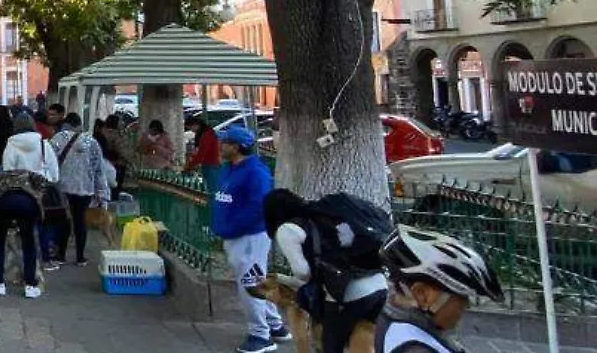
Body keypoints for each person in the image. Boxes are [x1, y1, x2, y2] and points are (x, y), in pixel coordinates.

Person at [267, 189, 390, 353]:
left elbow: (303, 273)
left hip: (348, 294)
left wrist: (282, 279)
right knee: (362, 337)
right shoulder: (321, 217)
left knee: (330, 347)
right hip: (379, 285)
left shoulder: (288, 229)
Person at [213, 125, 290, 353]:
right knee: (256, 280)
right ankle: (275, 326)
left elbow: (260, 206)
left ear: (237, 147)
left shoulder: (255, 172)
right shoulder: (230, 168)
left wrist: (233, 227)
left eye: (225, 142)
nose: (221, 146)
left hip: (249, 236)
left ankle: (260, 335)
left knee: (250, 284)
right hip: (235, 235)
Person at [376, 228, 502, 353]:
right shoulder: (415, 348)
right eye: (462, 296)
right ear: (422, 295)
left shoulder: (384, 319)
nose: (467, 304)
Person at [0, 110, 54, 299]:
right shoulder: (43, 145)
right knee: (29, 241)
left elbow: (7, 173)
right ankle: (30, 284)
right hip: (31, 200)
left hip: (6, 199)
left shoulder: (11, 145)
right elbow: (54, 174)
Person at [48, 113, 108, 266]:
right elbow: (99, 169)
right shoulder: (91, 142)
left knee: (64, 221)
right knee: (80, 220)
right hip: (85, 188)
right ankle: (80, 257)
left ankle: (60, 255)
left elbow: (49, 162)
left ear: (65, 124)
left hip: (62, 187)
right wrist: (102, 193)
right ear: (79, 125)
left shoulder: (57, 139)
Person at [186, 116, 224, 190]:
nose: (191, 131)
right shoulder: (202, 134)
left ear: (196, 125)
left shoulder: (207, 134)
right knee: (210, 188)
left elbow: (201, 154)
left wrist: (189, 166)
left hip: (212, 165)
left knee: (212, 189)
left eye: (191, 128)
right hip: (208, 164)